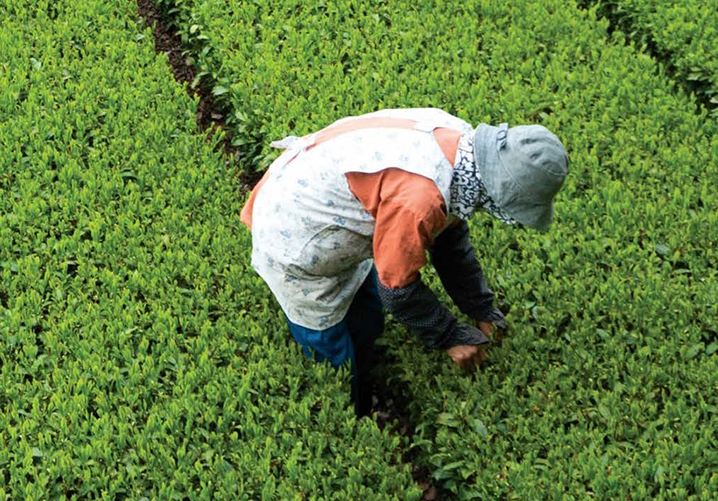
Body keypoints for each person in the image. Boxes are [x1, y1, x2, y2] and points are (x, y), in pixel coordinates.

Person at [240, 107, 569, 416]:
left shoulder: (462, 151)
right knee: (332, 351)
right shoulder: (419, 199)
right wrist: (450, 336)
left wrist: (481, 308)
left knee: (366, 318)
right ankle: (351, 411)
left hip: (325, 214)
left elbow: (450, 243)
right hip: (294, 237)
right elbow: (398, 289)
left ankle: (368, 380)